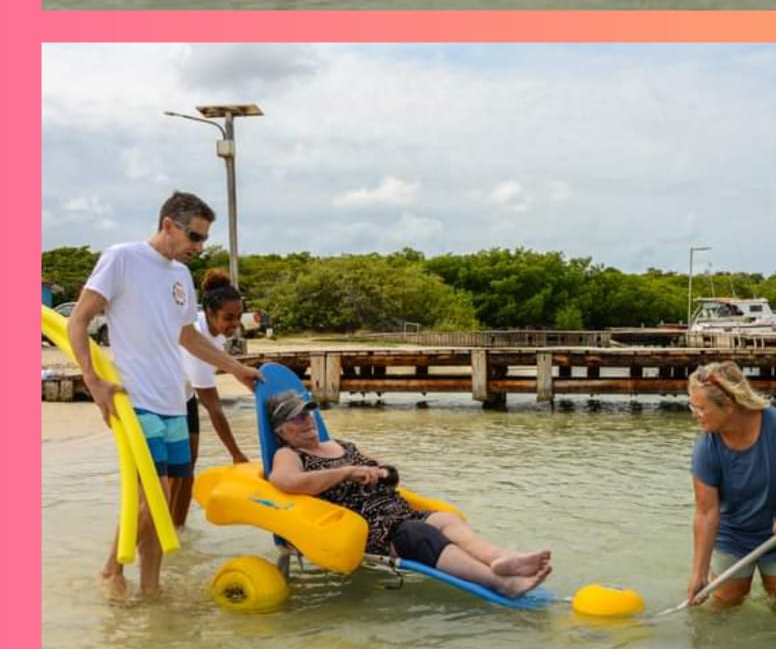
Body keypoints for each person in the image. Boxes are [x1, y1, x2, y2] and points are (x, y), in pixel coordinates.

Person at [68, 194, 262, 597]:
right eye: (195, 235)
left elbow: (188, 337)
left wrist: (236, 369)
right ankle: (110, 571)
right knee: (149, 499)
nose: (199, 246)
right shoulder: (122, 258)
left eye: (204, 239)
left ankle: (151, 592)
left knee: (165, 503)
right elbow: (78, 321)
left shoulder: (180, 278)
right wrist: (94, 380)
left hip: (174, 401)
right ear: (169, 224)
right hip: (136, 399)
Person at [267, 387, 553, 596]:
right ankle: (501, 583)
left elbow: (387, 470)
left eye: (308, 413)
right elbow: (284, 481)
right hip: (367, 528)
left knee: (444, 519)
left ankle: (499, 558)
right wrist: (345, 472)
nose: (306, 421)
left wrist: (383, 472)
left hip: (397, 511)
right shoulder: (291, 454)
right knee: (419, 534)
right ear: (281, 431)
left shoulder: (343, 445)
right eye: (296, 418)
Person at [687, 362, 776, 609]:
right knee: (723, 609)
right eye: (692, 406)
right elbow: (706, 513)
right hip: (732, 538)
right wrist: (698, 573)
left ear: (729, 405)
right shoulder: (706, 446)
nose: (694, 414)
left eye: (700, 408)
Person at [170, 273, 251, 530]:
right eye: (228, 318)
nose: (235, 324)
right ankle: (166, 527)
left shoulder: (214, 334)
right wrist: (236, 453)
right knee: (176, 470)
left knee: (188, 466)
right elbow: (214, 409)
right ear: (209, 312)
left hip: (184, 395)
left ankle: (179, 530)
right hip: (166, 398)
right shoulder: (198, 336)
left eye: (238, 317)